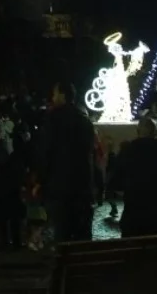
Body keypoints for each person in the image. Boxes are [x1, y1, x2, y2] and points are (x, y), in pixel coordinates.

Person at [40, 85, 96, 245]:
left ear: (63, 96)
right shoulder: (84, 121)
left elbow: (46, 153)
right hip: (82, 187)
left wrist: (42, 181)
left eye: (55, 94)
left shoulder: (53, 119)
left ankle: (63, 267)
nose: (52, 98)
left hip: (60, 188)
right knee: (82, 236)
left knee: (62, 234)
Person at [114, 119, 157, 237]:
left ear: (137, 131)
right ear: (155, 133)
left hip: (133, 216)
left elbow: (116, 182)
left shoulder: (127, 152)